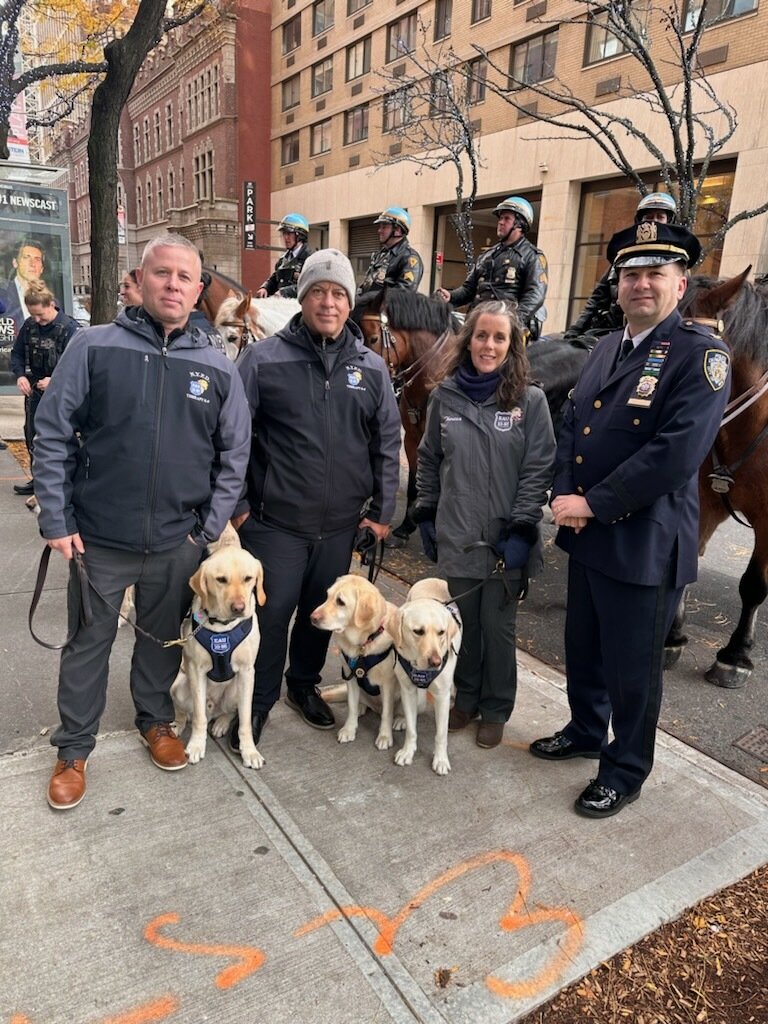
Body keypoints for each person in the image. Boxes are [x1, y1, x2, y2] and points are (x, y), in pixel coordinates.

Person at [33, 233, 251, 811]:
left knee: (161, 643)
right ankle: (74, 748)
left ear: (198, 290)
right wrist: (56, 517)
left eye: (185, 277)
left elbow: (235, 454)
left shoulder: (217, 366)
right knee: (88, 645)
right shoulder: (93, 346)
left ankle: (155, 720)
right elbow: (51, 432)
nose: (173, 285)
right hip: (98, 538)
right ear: (141, 279)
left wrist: (207, 530)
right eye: (162, 273)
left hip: (178, 542)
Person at [529, 222, 731, 818]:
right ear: (617, 285)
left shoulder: (701, 356)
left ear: (680, 284)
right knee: (585, 650)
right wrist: (564, 492)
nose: (641, 284)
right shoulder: (604, 348)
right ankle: (586, 730)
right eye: (631, 274)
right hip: (588, 536)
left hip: (645, 544)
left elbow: (676, 453)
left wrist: (592, 503)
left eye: (655, 274)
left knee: (633, 671)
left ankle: (625, 770)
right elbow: (572, 424)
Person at [229, 248, 401, 749]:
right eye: (319, 292)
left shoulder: (371, 368)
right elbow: (233, 437)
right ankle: (257, 704)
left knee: (318, 616)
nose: (329, 302)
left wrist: (381, 513)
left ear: (350, 303)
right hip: (274, 525)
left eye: (339, 293)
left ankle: (302, 685)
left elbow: (386, 443)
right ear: (302, 298)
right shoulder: (263, 360)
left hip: (340, 526)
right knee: (271, 617)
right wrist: (239, 508)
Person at [412, 301, 555, 749]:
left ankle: (495, 707)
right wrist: (426, 513)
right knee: (464, 626)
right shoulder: (445, 396)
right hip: (457, 535)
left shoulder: (529, 401)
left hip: (503, 543)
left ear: (512, 346)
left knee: (497, 628)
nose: (488, 345)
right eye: (481, 335)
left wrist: (522, 528)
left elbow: (538, 469)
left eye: (499, 337)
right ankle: (467, 697)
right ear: (467, 340)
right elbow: (429, 459)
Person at [564, 192, 679, 342]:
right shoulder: (622, 260)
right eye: (649, 217)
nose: (654, 222)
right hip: (607, 332)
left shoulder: (676, 262)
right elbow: (596, 300)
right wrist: (573, 331)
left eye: (660, 217)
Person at [436, 197, 548, 339]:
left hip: (508, 328)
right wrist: (451, 296)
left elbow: (535, 295)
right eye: (500, 218)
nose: (500, 222)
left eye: (506, 218)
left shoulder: (533, 256)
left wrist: (512, 323)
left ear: (520, 224)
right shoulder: (486, 255)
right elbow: (469, 289)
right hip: (476, 323)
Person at [10, 286, 80, 496]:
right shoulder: (29, 326)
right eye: (33, 315)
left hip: (61, 393)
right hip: (35, 390)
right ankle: (38, 479)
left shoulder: (69, 329)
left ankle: (64, 481)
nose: (37, 320)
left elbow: (78, 364)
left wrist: (56, 381)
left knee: (61, 436)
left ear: (52, 305)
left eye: (40, 314)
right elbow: (17, 354)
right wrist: (20, 375)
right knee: (32, 434)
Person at [355, 207, 424, 309]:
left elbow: (404, 295)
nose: (379, 230)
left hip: (386, 316)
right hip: (365, 311)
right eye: (380, 227)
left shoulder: (410, 258)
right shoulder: (381, 255)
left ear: (398, 230)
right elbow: (368, 283)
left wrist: (369, 297)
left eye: (384, 227)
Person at [255, 214, 314, 299]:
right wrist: (265, 288)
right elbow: (275, 278)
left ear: (300, 235)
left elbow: (309, 286)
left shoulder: (310, 259)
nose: (285, 237)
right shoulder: (283, 259)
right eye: (284, 234)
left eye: (289, 234)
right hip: (281, 304)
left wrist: (284, 293)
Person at [1, 238, 47, 332]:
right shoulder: (2, 295)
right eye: (26, 257)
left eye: (37, 259)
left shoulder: (53, 304)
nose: (32, 264)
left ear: (42, 268)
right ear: (15, 263)